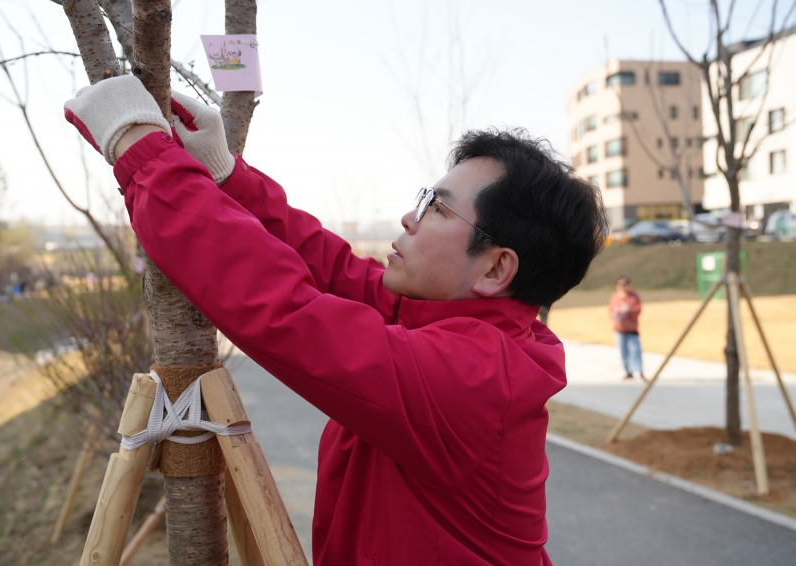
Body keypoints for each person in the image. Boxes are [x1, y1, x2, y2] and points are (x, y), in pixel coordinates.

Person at [63, 76, 607, 566]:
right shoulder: (448, 325)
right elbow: (330, 272)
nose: (409, 217)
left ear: (495, 268)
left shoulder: (472, 377)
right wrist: (228, 178)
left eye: (438, 209)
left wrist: (145, 157)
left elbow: (287, 309)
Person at [609, 275, 645, 381]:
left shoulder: (633, 297)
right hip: (620, 329)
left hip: (632, 329)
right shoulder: (615, 297)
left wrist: (627, 311)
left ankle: (639, 371)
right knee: (623, 351)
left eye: (625, 285)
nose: (623, 287)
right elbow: (611, 311)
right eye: (621, 285)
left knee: (635, 351)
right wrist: (616, 314)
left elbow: (637, 309)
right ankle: (628, 371)